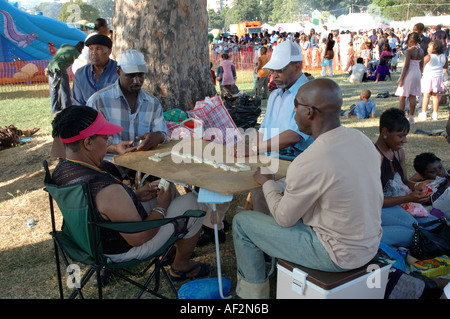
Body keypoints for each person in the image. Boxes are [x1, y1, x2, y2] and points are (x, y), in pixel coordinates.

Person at [232, 78, 383, 299]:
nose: (294, 111)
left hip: (336, 254)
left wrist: (267, 182)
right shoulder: (361, 140)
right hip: (369, 244)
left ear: (310, 112)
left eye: (297, 105)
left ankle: (252, 296)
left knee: (242, 223)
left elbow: (284, 218)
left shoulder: (310, 159)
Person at [51, 105, 212, 280]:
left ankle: (171, 251)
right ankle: (180, 266)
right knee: (194, 202)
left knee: (165, 187)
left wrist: (134, 195)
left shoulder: (62, 170)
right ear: (88, 143)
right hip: (124, 250)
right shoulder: (105, 189)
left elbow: (96, 208)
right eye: (105, 139)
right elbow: (140, 237)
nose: (108, 144)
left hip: (93, 238)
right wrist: (161, 207)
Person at [86, 49, 167, 175]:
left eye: (140, 75)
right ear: (118, 72)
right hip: (109, 163)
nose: (137, 81)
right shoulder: (98, 101)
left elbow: (162, 133)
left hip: (145, 164)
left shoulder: (153, 103)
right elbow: (87, 142)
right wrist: (114, 148)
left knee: (165, 185)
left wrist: (159, 136)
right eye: (131, 75)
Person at [374, 108, 436, 248]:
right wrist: (408, 198)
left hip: (398, 204)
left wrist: (418, 186)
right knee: (414, 228)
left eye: (405, 135)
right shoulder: (374, 157)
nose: (405, 140)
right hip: (378, 208)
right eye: (400, 136)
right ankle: (370, 239)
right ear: (384, 132)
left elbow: (404, 181)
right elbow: (375, 200)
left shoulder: (398, 153)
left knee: (435, 222)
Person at [72, 34, 119, 106]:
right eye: (91, 49)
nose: (94, 53)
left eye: (98, 49)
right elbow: (77, 104)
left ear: (109, 52)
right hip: (88, 116)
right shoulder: (81, 74)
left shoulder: (120, 72)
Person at [47, 41, 84, 114]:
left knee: (53, 90)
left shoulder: (65, 45)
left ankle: (54, 110)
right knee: (65, 91)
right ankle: (67, 109)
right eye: (82, 49)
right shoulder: (75, 52)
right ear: (80, 47)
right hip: (59, 70)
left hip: (50, 68)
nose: (82, 51)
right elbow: (81, 62)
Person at [395, 32, 424, 124]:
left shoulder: (409, 51)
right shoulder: (421, 51)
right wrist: (421, 74)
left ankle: (400, 117)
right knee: (413, 96)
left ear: (410, 41)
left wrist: (401, 79)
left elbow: (406, 66)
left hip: (409, 73)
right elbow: (421, 65)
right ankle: (411, 118)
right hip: (417, 73)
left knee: (402, 96)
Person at [419, 40, 448, 121]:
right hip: (438, 77)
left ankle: (424, 114)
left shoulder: (428, 57)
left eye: (429, 47)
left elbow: (421, 65)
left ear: (434, 48)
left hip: (428, 77)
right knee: (435, 96)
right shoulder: (444, 56)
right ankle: (435, 114)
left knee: (426, 96)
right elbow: (445, 66)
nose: (427, 48)